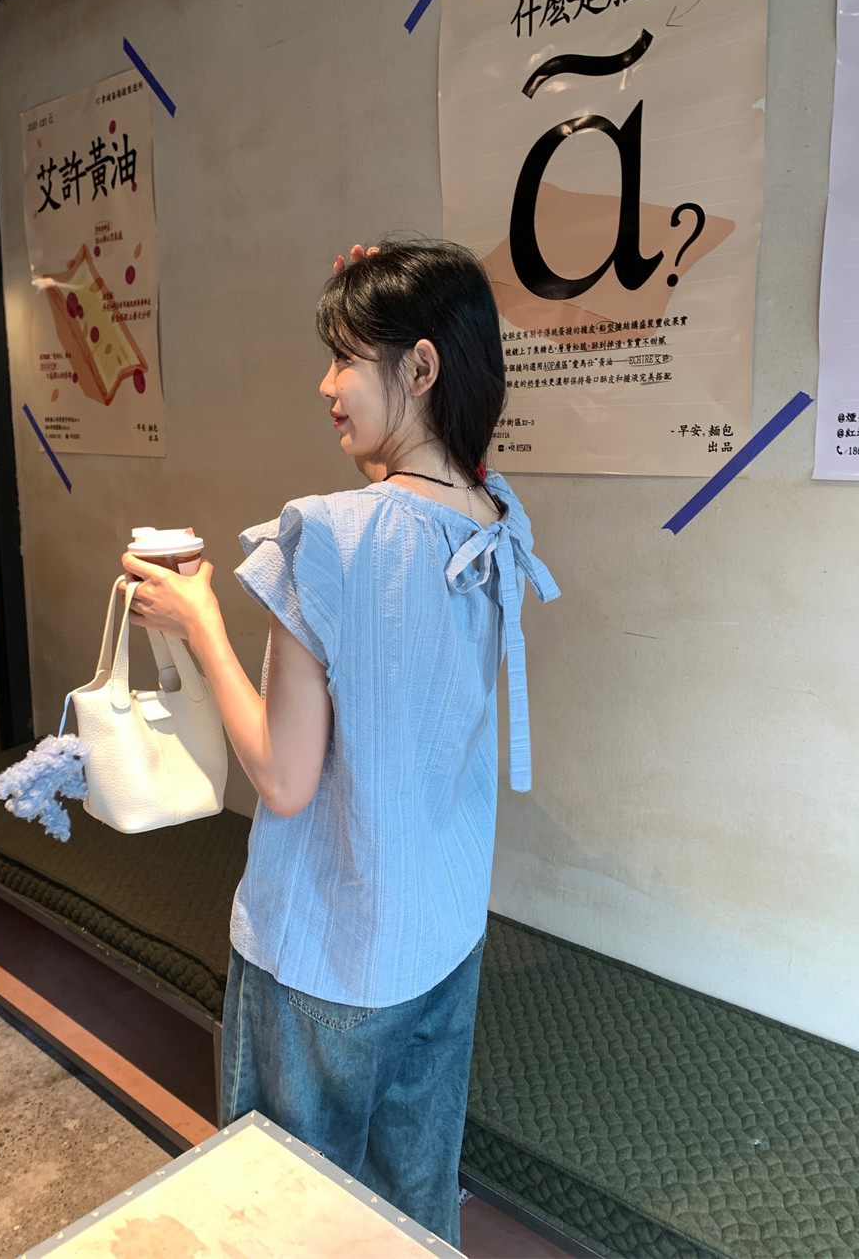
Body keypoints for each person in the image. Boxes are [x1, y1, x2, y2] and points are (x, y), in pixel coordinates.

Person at [121, 239, 559, 1247]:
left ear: (421, 366)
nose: (325, 386)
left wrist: (199, 621)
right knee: (410, 1211)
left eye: (345, 357)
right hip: (441, 938)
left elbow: (282, 778)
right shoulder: (494, 520)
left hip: (326, 954)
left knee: (288, 1218)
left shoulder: (328, 537)